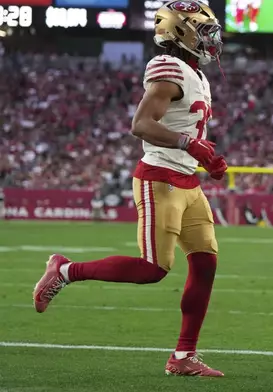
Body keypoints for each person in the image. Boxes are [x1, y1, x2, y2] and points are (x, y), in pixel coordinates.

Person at [32, 0, 228, 377]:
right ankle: (65, 270)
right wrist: (192, 146)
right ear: (181, 32)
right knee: (154, 269)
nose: (211, 39)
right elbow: (141, 124)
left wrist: (205, 157)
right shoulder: (168, 68)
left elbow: (185, 128)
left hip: (187, 179)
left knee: (205, 264)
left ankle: (183, 357)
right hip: (161, 178)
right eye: (203, 31)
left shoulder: (194, 73)